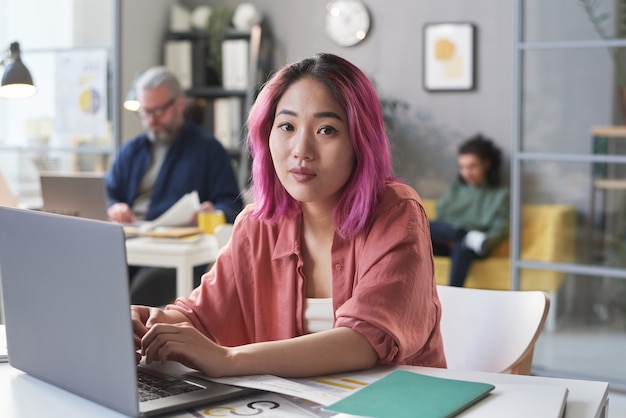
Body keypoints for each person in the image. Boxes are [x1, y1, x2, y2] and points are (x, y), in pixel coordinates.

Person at [130, 53, 446, 379]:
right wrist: (152, 322)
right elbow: (201, 316)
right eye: (286, 126)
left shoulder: (397, 212)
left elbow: (364, 340)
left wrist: (229, 359)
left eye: (326, 130)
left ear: (360, 141)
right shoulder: (257, 225)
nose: (301, 150)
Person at [106, 66, 243, 306]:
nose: (151, 120)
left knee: (136, 298)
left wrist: (214, 212)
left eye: (158, 111)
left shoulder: (208, 150)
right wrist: (114, 206)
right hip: (130, 241)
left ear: (179, 104)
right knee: (98, 286)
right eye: (145, 112)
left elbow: (232, 204)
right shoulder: (131, 150)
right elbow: (109, 193)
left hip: (175, 250)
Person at [429, 134, 509, 288]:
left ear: (486, 164)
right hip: (446, 238)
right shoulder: (453, 190)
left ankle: (454, 295)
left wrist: (483, 241)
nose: (467, 172)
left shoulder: (501, 196)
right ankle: (465, 235)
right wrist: (450, 237)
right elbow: (440, 220)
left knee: (464, 245)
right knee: (421, 225)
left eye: (472, 166)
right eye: (462, 167)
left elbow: (499, 231)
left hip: (476, 246)